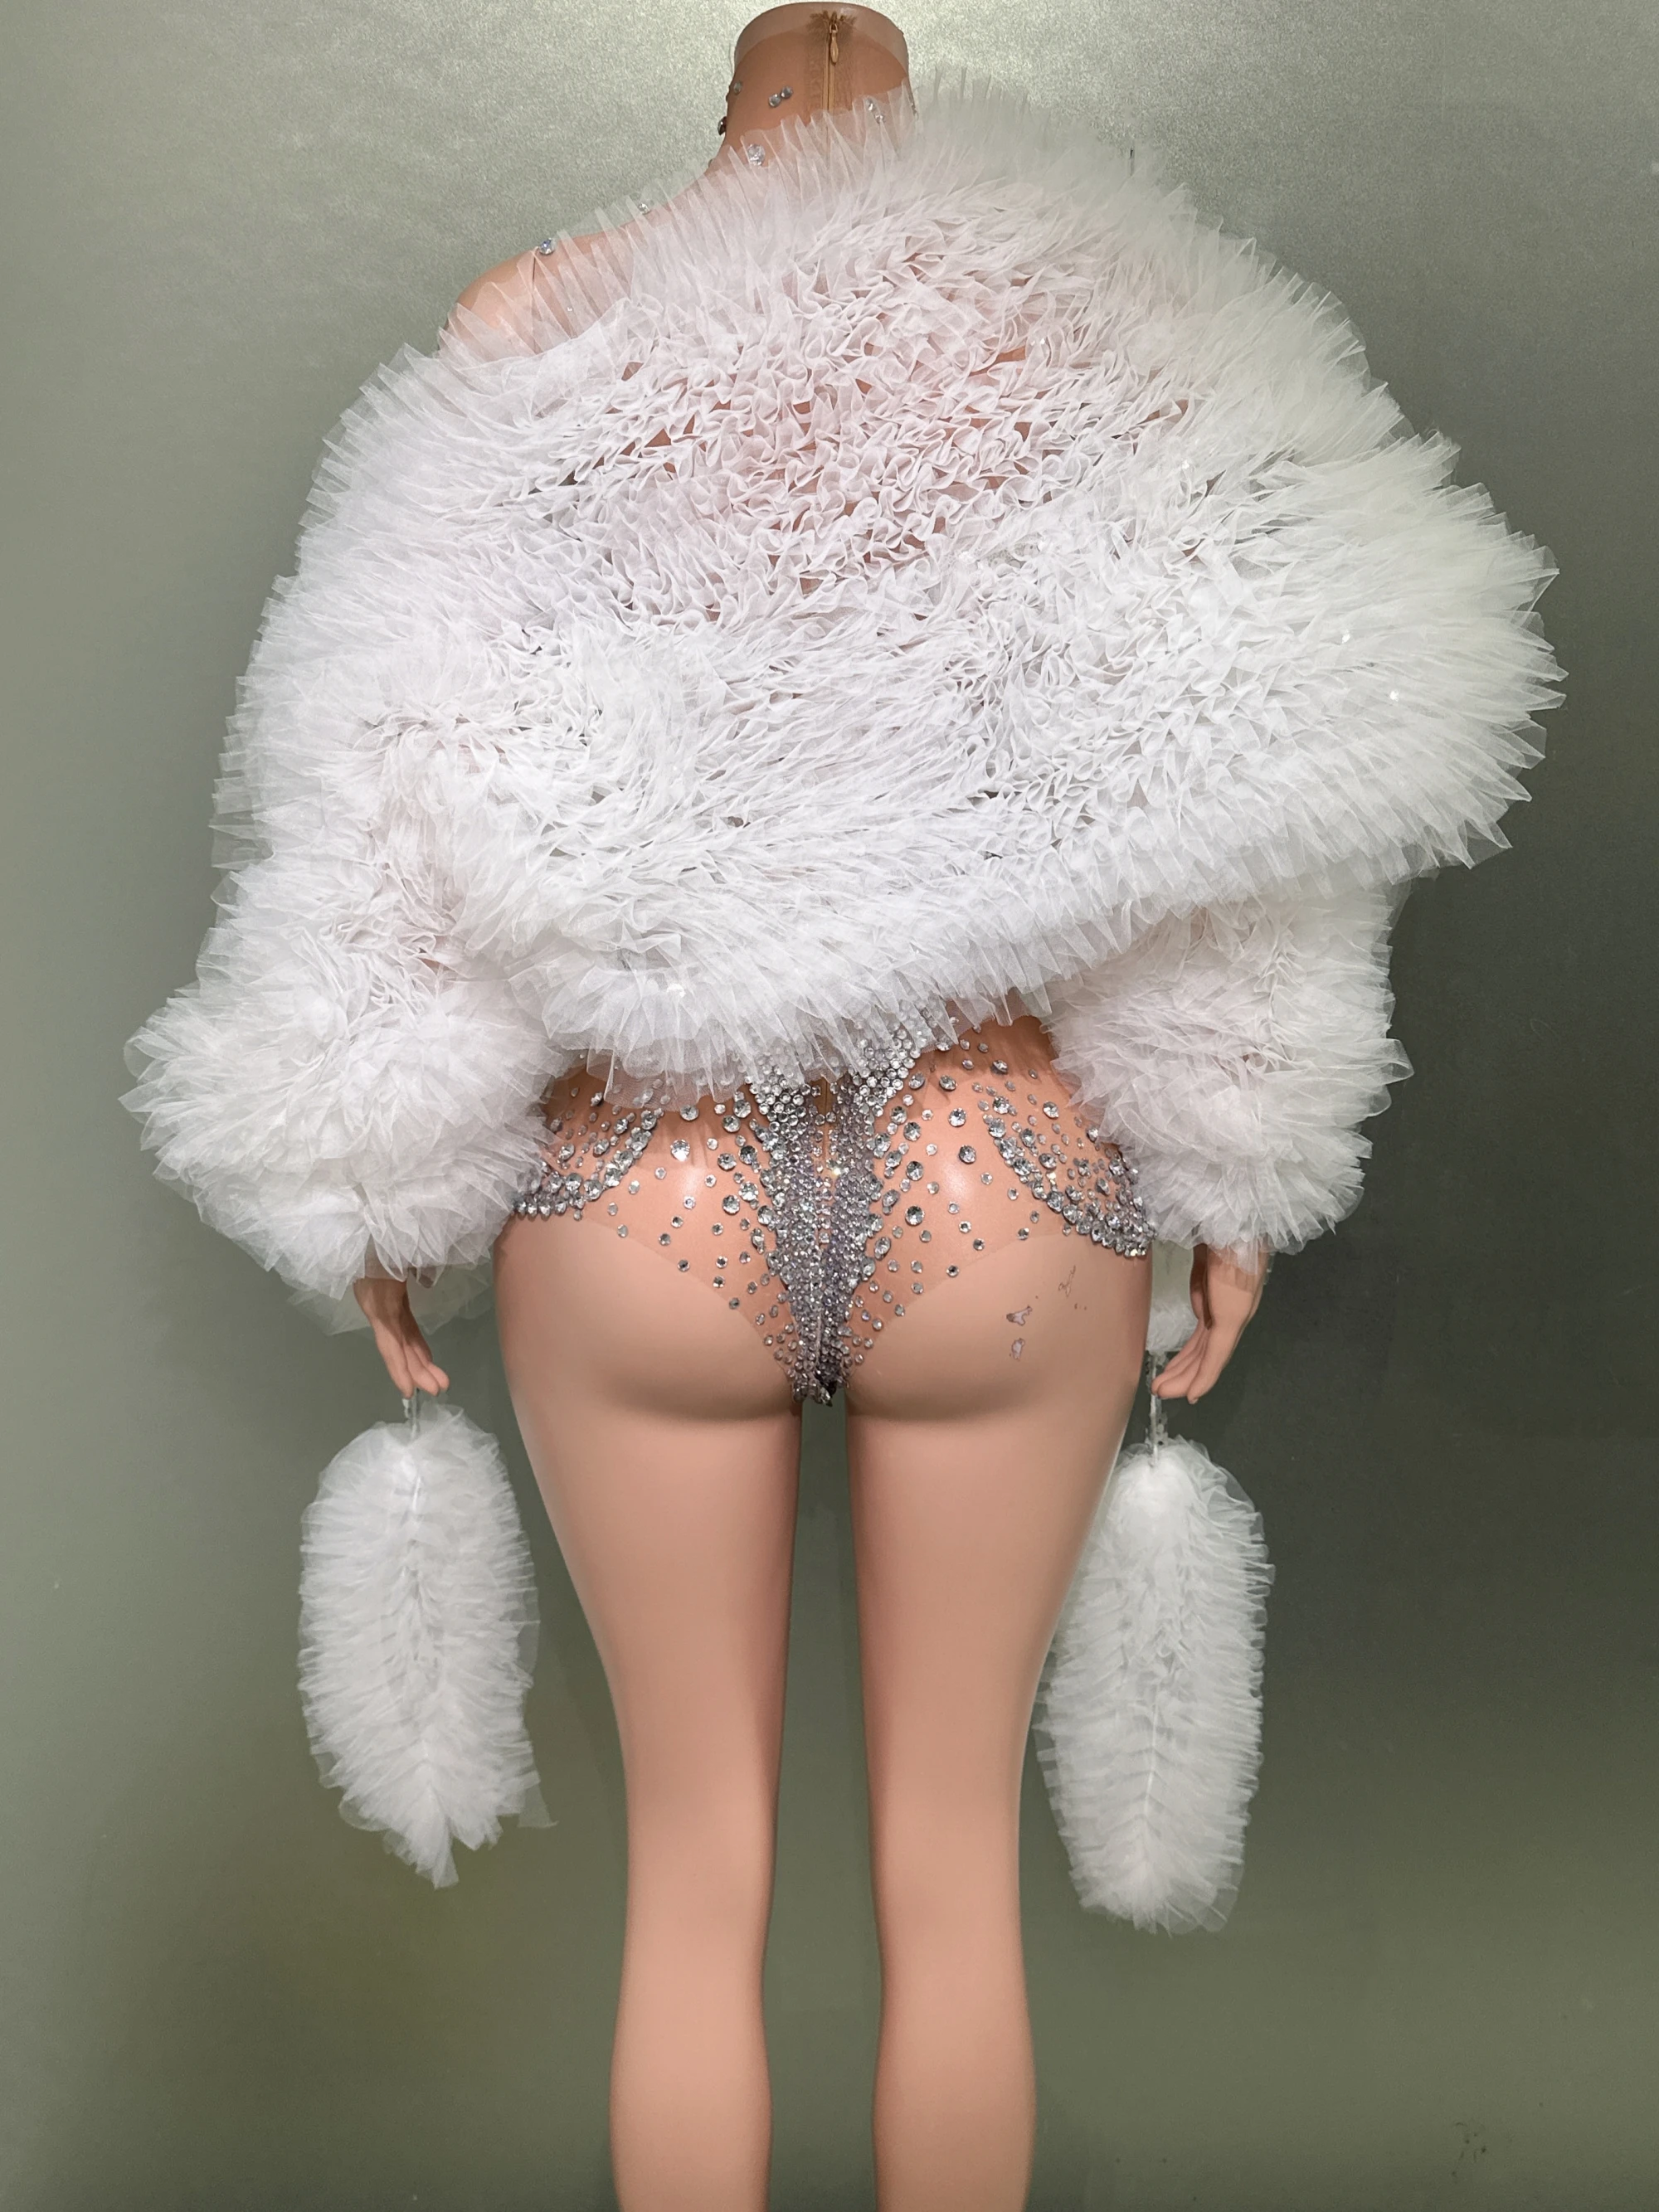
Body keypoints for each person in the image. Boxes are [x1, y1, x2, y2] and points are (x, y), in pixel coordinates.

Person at [124, 9, 1557, 2206]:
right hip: (996, 1172)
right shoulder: (1086, 332)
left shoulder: (533, 341)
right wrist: (1240, 1151)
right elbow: (1235, 762)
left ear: (736, 114)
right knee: (952, 1874)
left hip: (643, 1177)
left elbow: (390, 771)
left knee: (693, 1876)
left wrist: (368, 1174)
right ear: (898, 97)